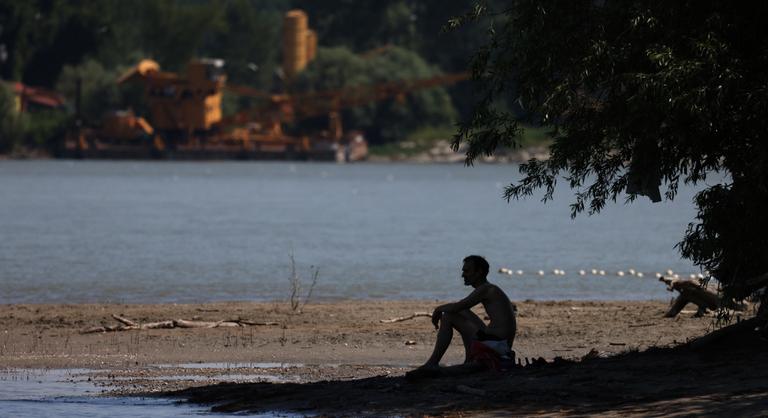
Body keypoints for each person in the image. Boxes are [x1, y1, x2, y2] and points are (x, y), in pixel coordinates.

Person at [411, 255, 516, 375]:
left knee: (448, 316)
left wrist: (438, 309)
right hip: (497, 341)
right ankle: (468, 359)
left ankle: (432, 363)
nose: (463, 275)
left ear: (479, 272)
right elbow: (461, 307)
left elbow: (457, 306)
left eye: (466, 271)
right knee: (459, 311)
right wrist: (444, 309)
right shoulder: (487, 288)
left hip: (497, 345)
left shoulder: (487, 289)